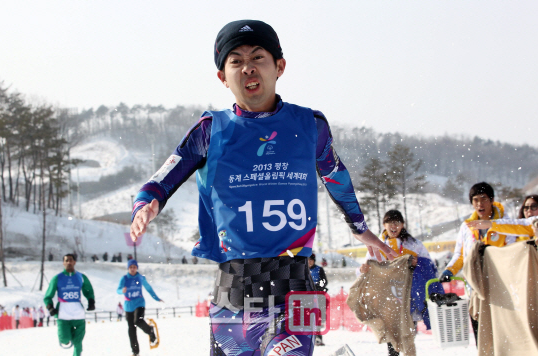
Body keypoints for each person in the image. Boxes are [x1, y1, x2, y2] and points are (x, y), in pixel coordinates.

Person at [130, 19, 397, 355]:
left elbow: (334, 173)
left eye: (258, 58)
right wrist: (146, 204)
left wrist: (359, 227)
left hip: (294, 284)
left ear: (279, 66)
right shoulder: (211, 131)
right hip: (233, 291)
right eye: (236, 61)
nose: (248, 68)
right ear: (222, 77)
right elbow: (159, 181)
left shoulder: (309, 125)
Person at [440, 182, 519, 345]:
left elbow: (513, 251)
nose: (479, 204)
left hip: (501, 286)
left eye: (483, 199)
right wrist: (450, 270)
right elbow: (460, 255)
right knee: (481, 334)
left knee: (502, 335)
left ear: (491, 200)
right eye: (475, 200)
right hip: (475, 286)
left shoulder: (505, 223)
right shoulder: (467, 226)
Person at [362, 210, 444, 356]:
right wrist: (364, 269)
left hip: (409, 295)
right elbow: (367, 267)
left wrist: (416, 264)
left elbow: (429, 266)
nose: (394, 226)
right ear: (384, 225)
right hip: (388, 296)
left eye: (397, 222)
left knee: (408, 335)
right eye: (390, 222)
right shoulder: (377, 245)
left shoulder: (413, 244)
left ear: (402, 224)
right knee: (392, 336)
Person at [44, 253, 95, 356]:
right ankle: (67, 337)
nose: (69, 262)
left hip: (78, 314)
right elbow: (48, 296)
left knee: (78, 342)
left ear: (74, 262)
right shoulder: (57, 278)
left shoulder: (81, 277)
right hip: (63, 314)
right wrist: (50, 307)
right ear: (63, 263)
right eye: (66, 260)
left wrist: (91, 301)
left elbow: (88, 290)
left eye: (71, 260)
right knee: (64, 339)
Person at [117, 259, 162, 356]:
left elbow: (149, 288)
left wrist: (157, 298)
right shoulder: (124, 278)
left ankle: (150, 330)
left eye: (134, 267)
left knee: (137, 321)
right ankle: (135, 352)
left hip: (139, 303)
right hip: (128, 306)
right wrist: (122, 290)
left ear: (137, 268)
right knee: (131, 329)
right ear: (128, 268)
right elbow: (118, 289)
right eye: (130, 267)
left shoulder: (140, 278)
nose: (132, 269)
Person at [467, 194, 538, 240]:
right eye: (526, 208)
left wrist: (491, 224)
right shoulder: (517, 237)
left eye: (534, 207)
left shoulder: (531, 224)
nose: (529, 211)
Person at [308, 253, 328, 346]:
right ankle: (309, 338)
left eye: (311, 260)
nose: (309, 262)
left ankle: (318, 338)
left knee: (317, 318)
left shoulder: (319, 269)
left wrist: (317, 287)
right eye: (308, 260)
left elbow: (324, 282)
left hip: (318, 297)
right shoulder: (304, 270)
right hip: (306, 298)